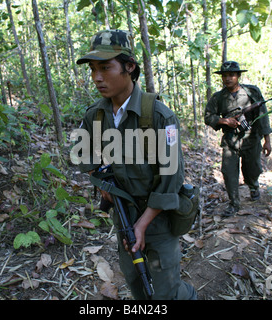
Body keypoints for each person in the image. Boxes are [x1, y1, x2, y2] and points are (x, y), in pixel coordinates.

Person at [75, 29, 196, 300]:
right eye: (93, 69)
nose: (97, 77)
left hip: (160, 218)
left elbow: (171, 177)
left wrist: (143, 224)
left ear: (129, 67)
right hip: (124, 216)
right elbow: (82, 152)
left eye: (105, 68)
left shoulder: (159, 116)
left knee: (166, 291)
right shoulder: (96, 115)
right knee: (137, 284)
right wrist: (100, 179)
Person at [204, 61, 272, 217]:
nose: (228, 79)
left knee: (252, 170)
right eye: (225, 76)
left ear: (238, 76)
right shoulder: (218, 97)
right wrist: (225, 121)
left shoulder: (252, 92)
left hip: (251, 139)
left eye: (232, 75)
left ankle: (253, 186)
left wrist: (267, 140)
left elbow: (263, 117)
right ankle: (234, 203)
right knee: (228, 173)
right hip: (230, 141)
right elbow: (208, 117)